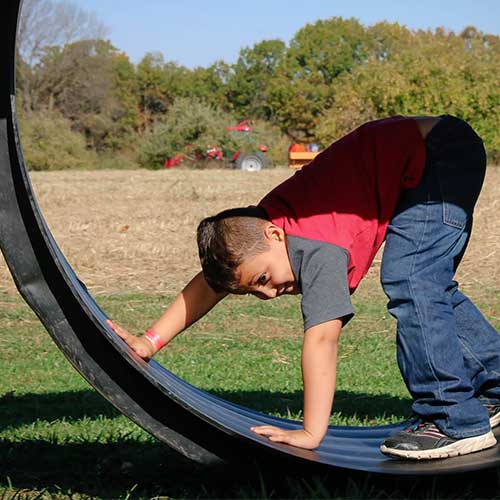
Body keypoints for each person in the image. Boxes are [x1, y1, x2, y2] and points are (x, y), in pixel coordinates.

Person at [107, 115, 500, 460]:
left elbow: (322, 341)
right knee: (427, 283)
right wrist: (150, 341)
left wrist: (312, 433)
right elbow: (211, 284)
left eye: (262, 280)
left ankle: (452, 419)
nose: (267, 294)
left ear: (275, 235)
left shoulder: (318, 251)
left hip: (437, 153)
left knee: (412, 279)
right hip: (425, 150)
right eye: (252, 291)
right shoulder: (260, 228)